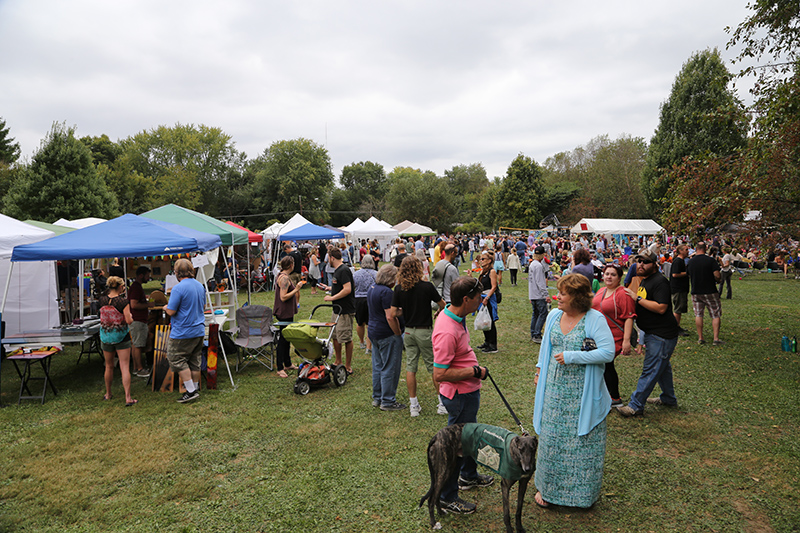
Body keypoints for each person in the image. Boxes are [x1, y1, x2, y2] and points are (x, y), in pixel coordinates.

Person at [532, 273, 615, 508]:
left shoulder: (594, 319)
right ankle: (547, 491)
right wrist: (539, 371)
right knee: (552, 441)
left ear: (577, 298)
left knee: (582, 444)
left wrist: (572, 357)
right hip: (554, 390)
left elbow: (608, 353)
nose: (558, 297)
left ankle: (581, 497)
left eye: (564, 294)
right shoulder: (554, 314)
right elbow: (546, 349)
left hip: (582, 393)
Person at [432, 276, 494, 515]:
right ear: (466, 299)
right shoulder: (447, 330)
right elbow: (439, 374)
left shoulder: (454, 313)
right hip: (459, 396)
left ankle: (468, 476)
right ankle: (448, 497)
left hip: (467, 392)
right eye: (478, 297)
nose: (482, 300)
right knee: (456, 447)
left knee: (468, 437)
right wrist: (474, 371)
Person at [617, 249, 681, 417]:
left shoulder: (660, 282)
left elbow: (661, 308)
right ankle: (668, 398)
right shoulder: (645, 280)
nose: (641, 265)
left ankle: (635, 405)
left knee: (651, 369)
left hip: (662, 334)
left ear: (655, 265)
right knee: (662, 367)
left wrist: (636, 298)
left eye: (645, 262)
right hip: (653, 332)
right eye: (639, 261)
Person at [392, 255, 446, 417]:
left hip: (408, 331)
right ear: (418, 268)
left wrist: (405, 310)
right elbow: (443, 305)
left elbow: (394, 312)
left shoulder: (399, 288)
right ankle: (442, 403)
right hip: (425, 331)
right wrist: (436, 310)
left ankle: (413, 405)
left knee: (411, 368)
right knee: (433, 367)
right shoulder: (427, 286)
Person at [591, 264, 636, 408]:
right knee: (602, 364)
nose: (609, 277)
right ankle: (606, 395)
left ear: (619, 278)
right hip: (598, 335)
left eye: (613, 274)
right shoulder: (601, 290)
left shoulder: (623, 293)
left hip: (614, 336)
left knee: (606, 363)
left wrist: (626, 341)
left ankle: (614, 397)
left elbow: (629, 317)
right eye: (607, 274)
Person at [165, 259, 206, 403]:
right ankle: (194, 388)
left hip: (183, 331)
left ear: (177, 273)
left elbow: (171, 311)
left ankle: (191, 390)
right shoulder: (200, 286)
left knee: (175, 358)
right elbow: (203, 305)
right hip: (199, 329)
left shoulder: (178, 288)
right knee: (195, 360)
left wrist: (165, 307)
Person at [368, 264, 405, 411]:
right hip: (386, 332)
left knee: (378, 366)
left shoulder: (373, 288)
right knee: (390, 367)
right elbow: (390, 316)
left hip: (374, 331)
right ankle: (388, 400)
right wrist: (397, 333)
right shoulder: (387, 292)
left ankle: (377, 397)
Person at [99, 276, 136, 405]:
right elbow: (128, 320)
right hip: (121, 337)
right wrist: (130, 316)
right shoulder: (123, 302)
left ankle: (108, 393)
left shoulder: (102, 300)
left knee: (108, 366)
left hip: (106, 336)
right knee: (124, 366)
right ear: (120, 287)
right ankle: (128, 397)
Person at [321, 247, 356, 374]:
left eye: (328, 258)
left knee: (346, 338)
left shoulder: (344, 270)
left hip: (345, 310)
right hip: (337, 310)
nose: (327, 260)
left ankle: (347, 366)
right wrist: (329, 288)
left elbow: (347, 289)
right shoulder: (337, 270)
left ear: (332, 258)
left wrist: (332, 297)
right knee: (335, 336)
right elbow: (340, 286)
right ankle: (338, 361)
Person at [274, 255, 306, 378]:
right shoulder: (284, 279)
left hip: (287, 312)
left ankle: (287, 363)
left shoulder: (283, 276)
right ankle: (280, 367)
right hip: (283, 312)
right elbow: (283, 297)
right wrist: (296, 289)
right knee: (282, 339)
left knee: (287, 337)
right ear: (291, 265)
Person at [686, 241, 723, 345]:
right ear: (706, 248)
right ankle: (716, 338)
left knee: (698, 314)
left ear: (696, 248)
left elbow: (688, 274)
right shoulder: (710, 261)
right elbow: (717, 275)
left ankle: (700, 337)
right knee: (715, 314)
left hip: (696, 291)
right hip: (710, 290)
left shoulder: (691, 262)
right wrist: (717, 280)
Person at [128, 266, 154, 378]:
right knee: (138, 345)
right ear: (141, 275)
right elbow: (134, 304)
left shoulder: (136, 287)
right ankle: (139, 369)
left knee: (135, 345)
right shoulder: (136, 287)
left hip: (136, 320)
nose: (149, 278)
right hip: (138, 320)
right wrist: (148, 305)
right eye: (147, 276)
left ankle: (135, 368)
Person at [476, 251, 499, 353]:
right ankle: (487, 341)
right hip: (482, 298)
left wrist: (487, 298)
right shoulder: (483, 271)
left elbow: (494, 286)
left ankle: (493, 345)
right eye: (481, 259)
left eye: (483, 259)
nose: (481, 261)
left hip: (488, 298)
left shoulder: (492, 271)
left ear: (489, 261)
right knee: (484, 320)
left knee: (490, 321)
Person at [353, 254, 378, 352]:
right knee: (370, 323)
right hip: (371, 298)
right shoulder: (376, 274)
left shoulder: (356, 274)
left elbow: (353, 286)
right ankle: (369, 347)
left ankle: (361, 341)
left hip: (358, 299)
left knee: (360, 323)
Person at [528, 246, 550, 343]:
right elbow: (540, 282)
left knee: (535, 314)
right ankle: (537, 334)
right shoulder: (539, 266)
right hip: (539, 295)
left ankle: (533, 332)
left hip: (533, 293)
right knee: (543, 313)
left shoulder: (532, 264)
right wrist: (546, 295)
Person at [670, 244, 691, 336]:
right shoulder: (678, 261)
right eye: (686, 250)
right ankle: (675, 328)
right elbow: (675, 274)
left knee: (680, 307)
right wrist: (687, 273)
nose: (688, 251)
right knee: (678, 309)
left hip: (681, 288)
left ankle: (677, 326)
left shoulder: (681, 261)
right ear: (681, 251)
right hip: (678, 288)